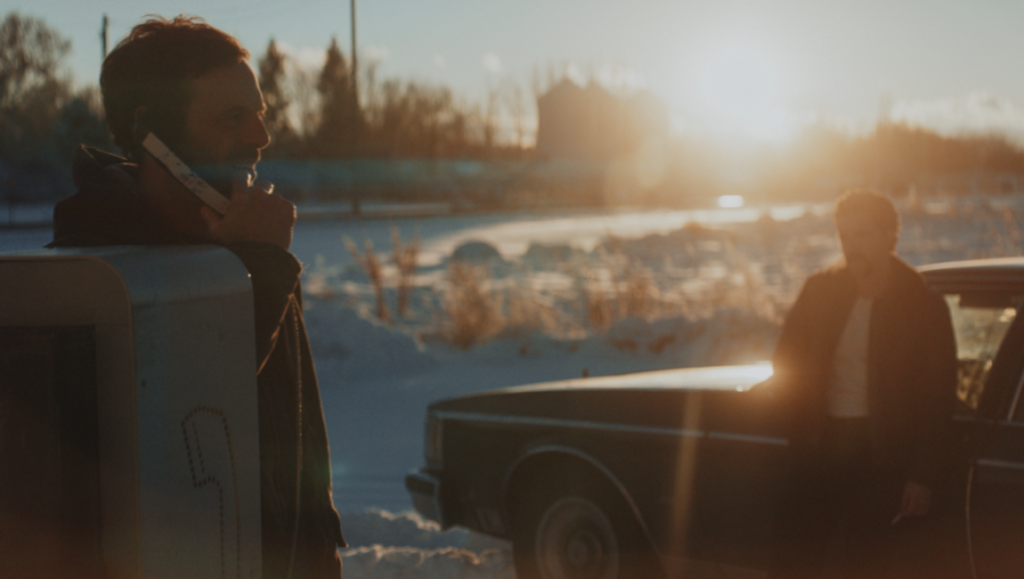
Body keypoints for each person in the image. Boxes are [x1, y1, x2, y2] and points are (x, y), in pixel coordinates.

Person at [47, 15, 345, 578]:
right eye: (233, 117)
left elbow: (298, 460)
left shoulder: (249, 250)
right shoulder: (89, 284)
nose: (260, 137)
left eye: (259, 114)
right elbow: (181, 421)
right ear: (150, 131)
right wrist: (258, 268)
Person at [768, 190, 957, 579]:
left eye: (864, 234)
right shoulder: (819, 292)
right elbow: (786, 363)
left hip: (882, 456)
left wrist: (922, 475)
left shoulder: (922, 306)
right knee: (791, 564)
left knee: (866, 566)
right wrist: (797, 432)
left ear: (890, 237)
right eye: (845, 236)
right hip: (820, 447)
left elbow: (938, 398)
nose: (852, 246)